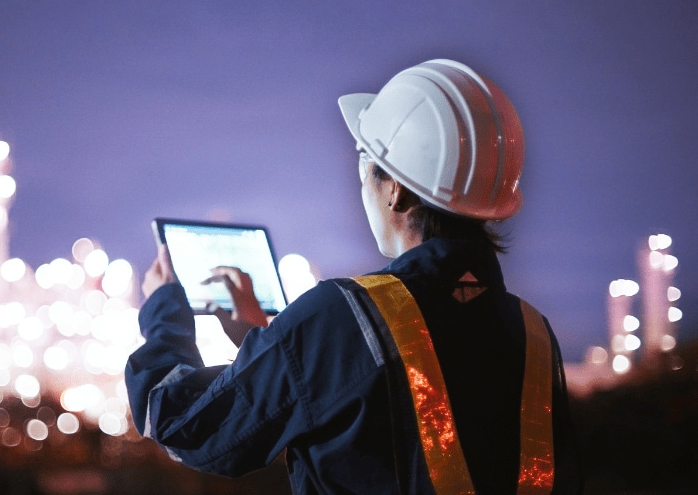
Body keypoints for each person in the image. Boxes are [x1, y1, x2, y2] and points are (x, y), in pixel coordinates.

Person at [125, 59, 582, 494]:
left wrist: (165, 309)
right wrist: (266, 340)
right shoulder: (533, 332)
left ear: (397, 189)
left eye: (365, 159)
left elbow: (186, 426)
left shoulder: (342, 316)